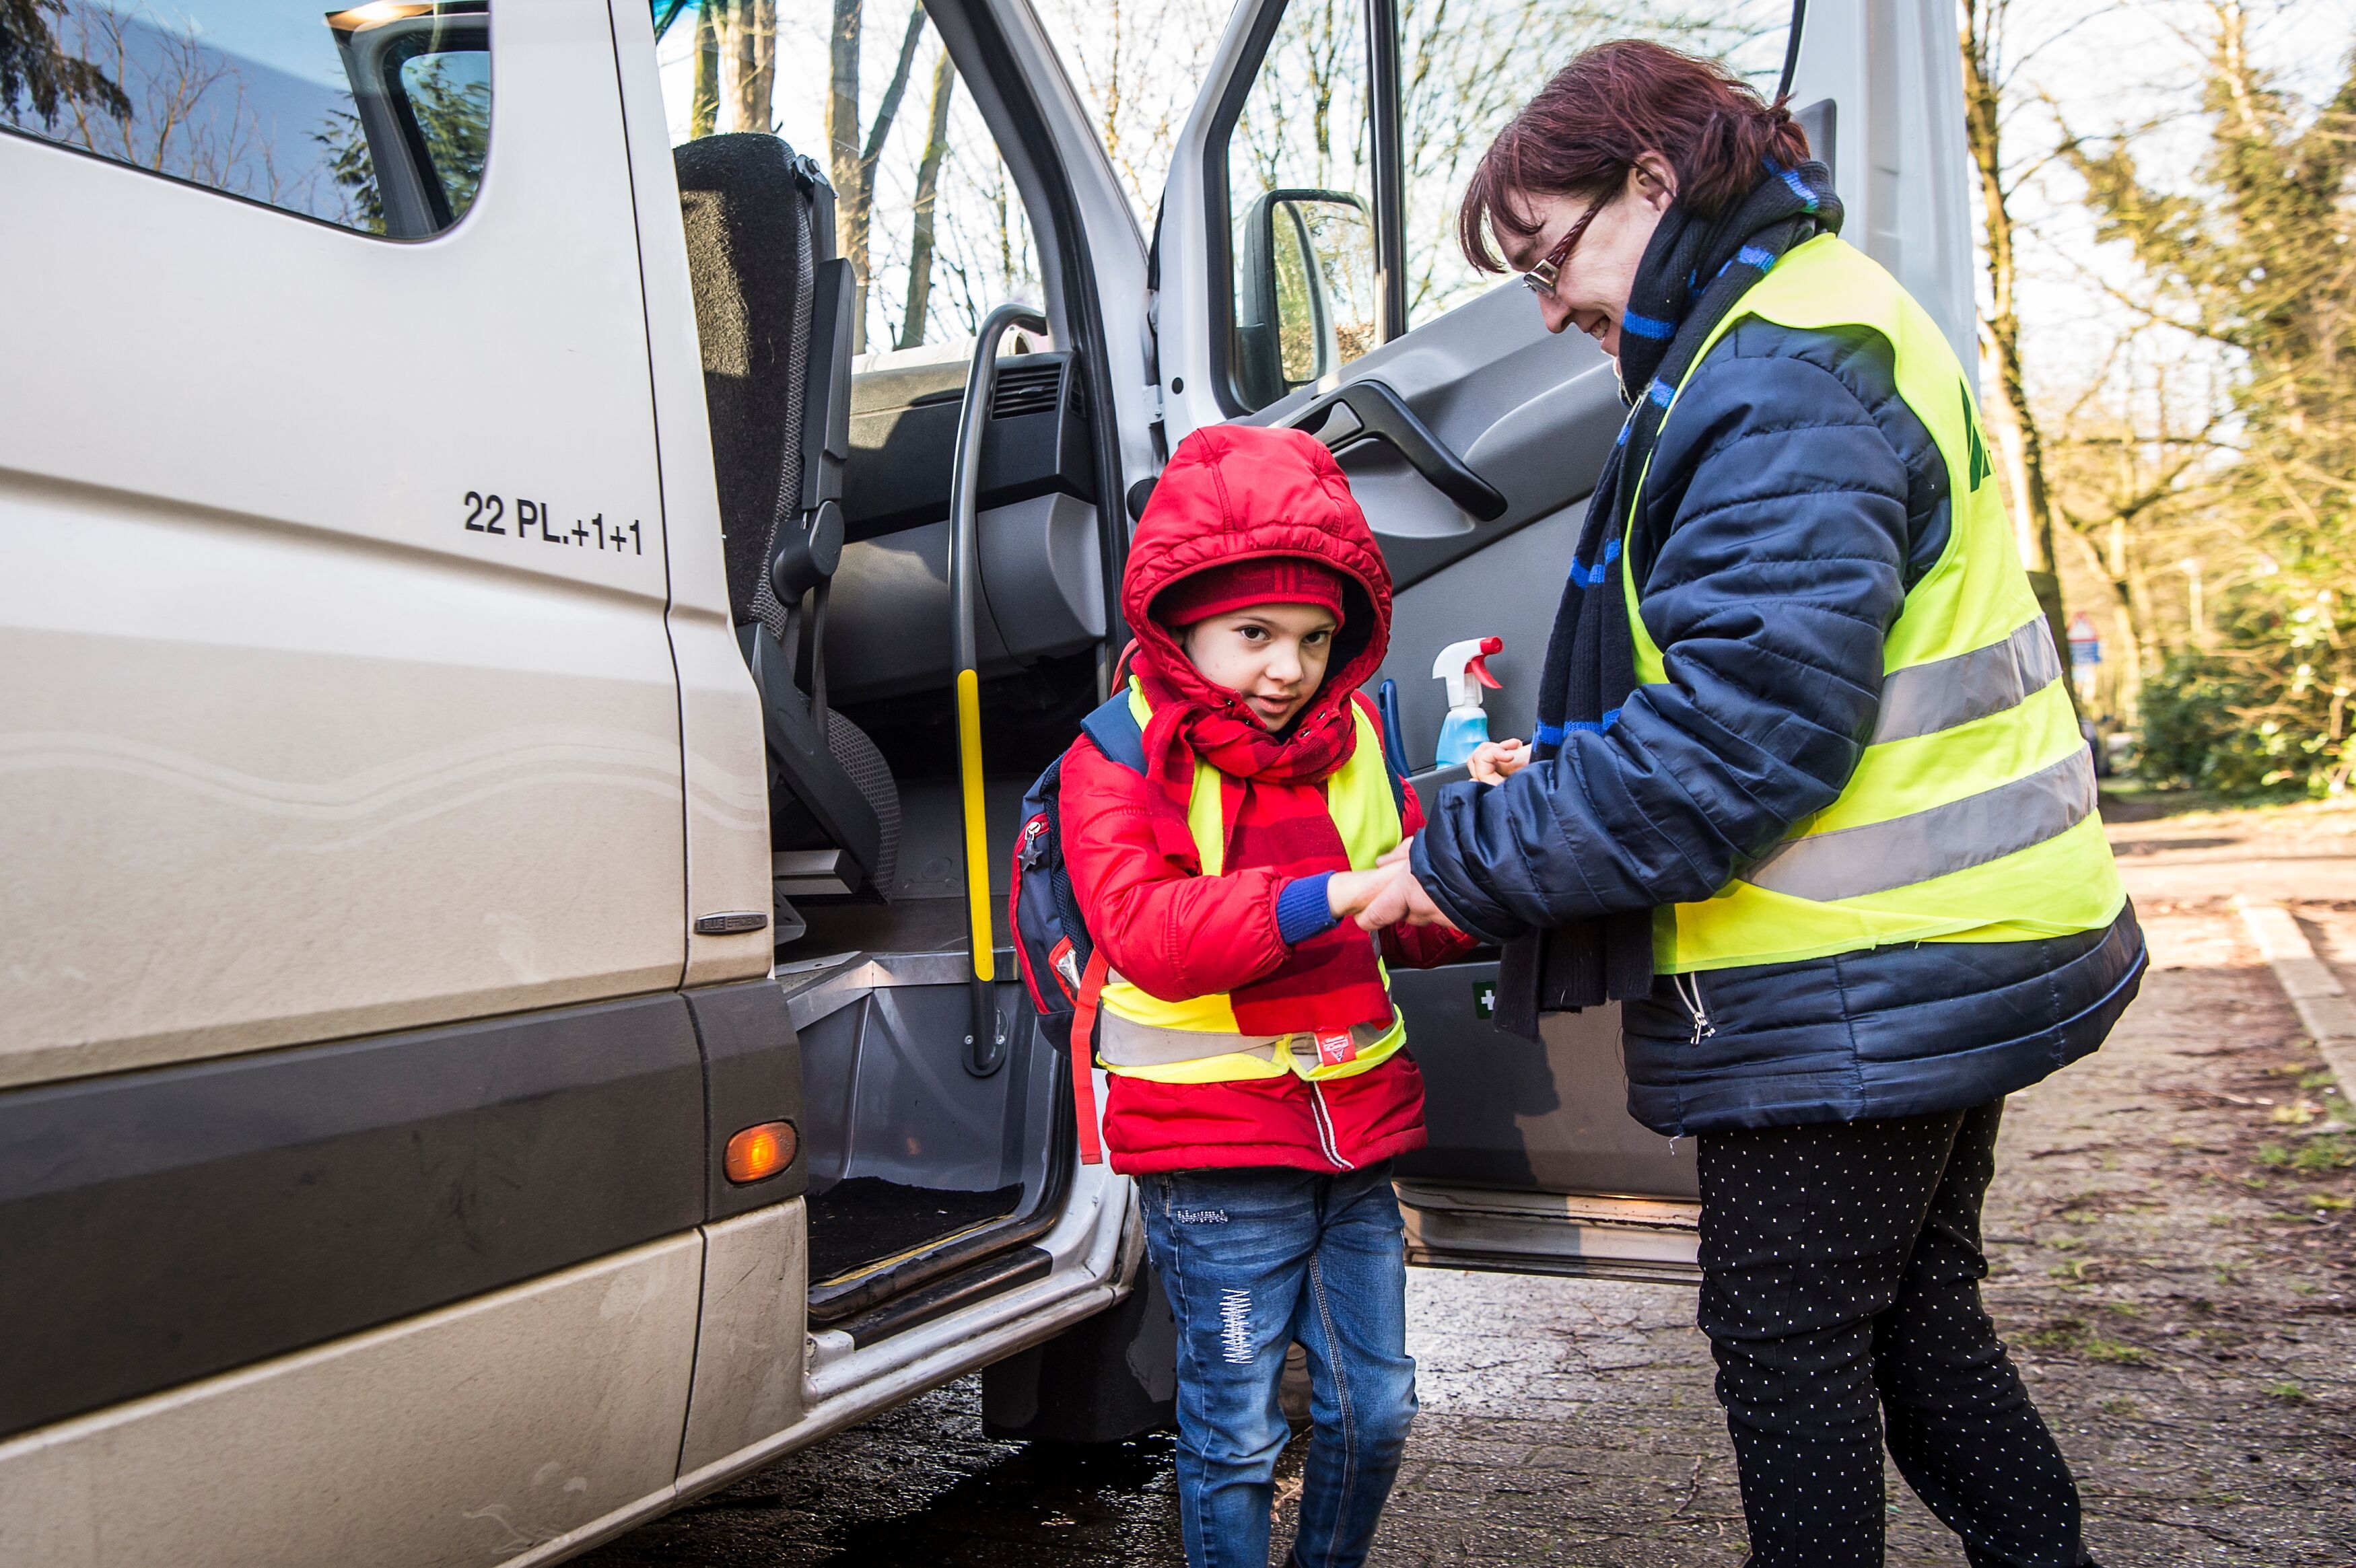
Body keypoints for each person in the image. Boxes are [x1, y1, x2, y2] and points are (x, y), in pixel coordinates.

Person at [1342, 40, 2145, 1568]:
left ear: (1649, 180)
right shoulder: (1802, 316)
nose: (1548, 305)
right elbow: (1758, 681)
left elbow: (1735, 745)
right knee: (1902, 1312)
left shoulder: (1770, 371)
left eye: (1545, 253)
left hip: (1859, 958)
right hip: (1950, 926)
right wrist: (1561, 768)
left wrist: (1460, 861)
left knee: (1789, 1343)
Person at [1060, 423, 1475, 1568]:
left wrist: (1486, 862)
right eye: (1254, 634)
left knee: (1375, 1407)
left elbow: (1412, 907)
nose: (1286, 668)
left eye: (1310, 638)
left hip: (1355, 1135)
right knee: (1236, 1430)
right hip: (1217, 1149)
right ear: (1183, 621)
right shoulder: (1120, 752)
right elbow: (1147, 932)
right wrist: (1330, 895)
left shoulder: (1356, 740)